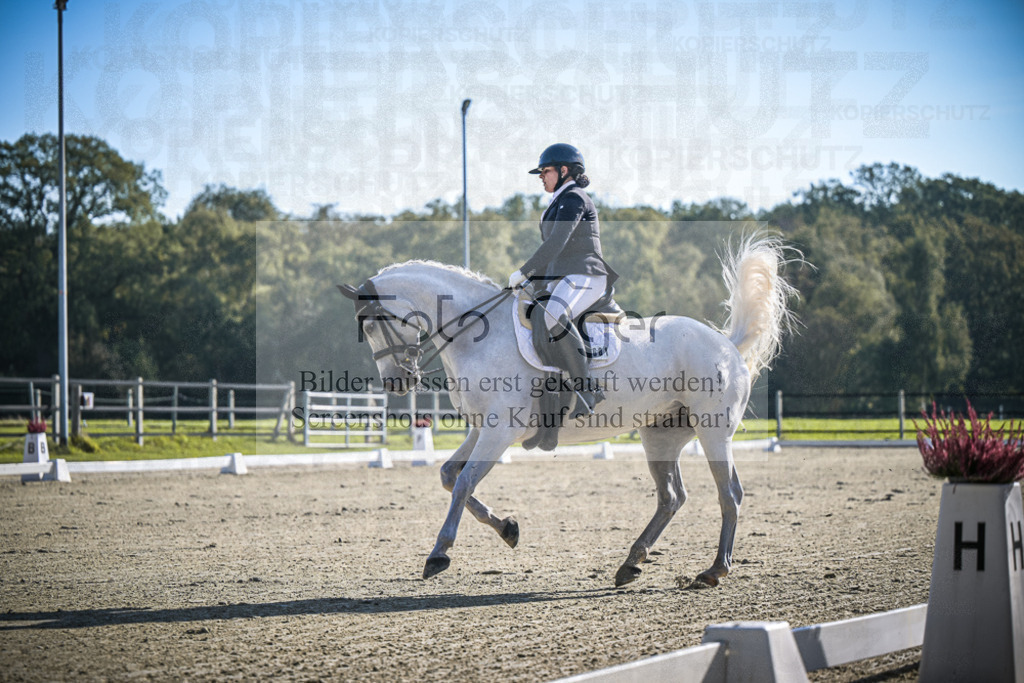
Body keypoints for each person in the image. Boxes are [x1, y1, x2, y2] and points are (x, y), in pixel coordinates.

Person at [508, 143, 617, 418]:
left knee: (554, 313)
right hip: (565, 276)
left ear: (564, 170)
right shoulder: (556, 203)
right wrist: (532, 283)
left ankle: (587, 389)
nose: (541, 177)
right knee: (535, 311)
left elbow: (557, 242)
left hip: (587, 274)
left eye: (545, 171)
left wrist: (525, 271)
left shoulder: (575, 198)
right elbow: (553, 255)